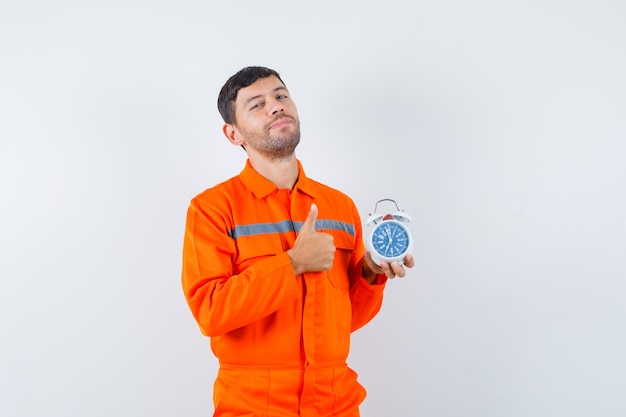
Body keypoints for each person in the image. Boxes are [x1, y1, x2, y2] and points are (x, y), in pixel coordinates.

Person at [181, 66, 414, 417]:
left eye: (280, 96)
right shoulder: (213, 209)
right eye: (256, 105)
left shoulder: (339, 206)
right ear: (233, 134)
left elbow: (344, 320)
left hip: (336, 402)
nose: (275, 107)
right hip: (253, 406)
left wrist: (369, 273)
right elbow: (211, 313)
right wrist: (292, 264)